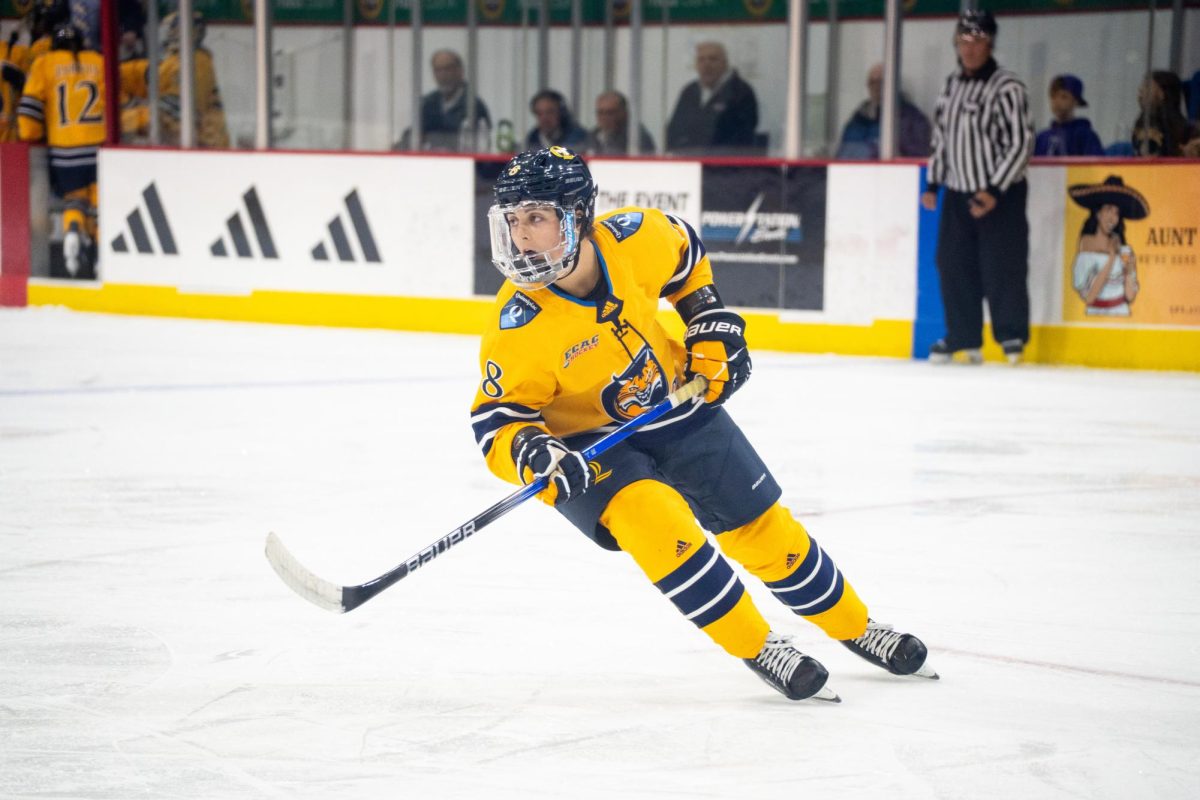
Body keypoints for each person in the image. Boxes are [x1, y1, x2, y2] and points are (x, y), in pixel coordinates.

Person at [469, 146, 937, 701]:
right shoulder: (517, 325)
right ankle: (758, 645)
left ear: (578, 216)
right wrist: (533, 453)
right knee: (660, 524)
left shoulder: (635, 237)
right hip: (587, 446)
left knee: (764, 528)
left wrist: (706, 317)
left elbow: (685, 255)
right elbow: (498, 420)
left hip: (672, 399)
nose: (522, 237)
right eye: (513, 220)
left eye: (537, 217)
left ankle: (856, 626)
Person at [922, 10, 1033, 365]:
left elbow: (1020, 143)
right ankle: (964, 335)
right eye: (964, 41)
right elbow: (941, 139)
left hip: (1001, 195)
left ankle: (1011, 334)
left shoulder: (1007, 87)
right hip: (958, 193)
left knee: (1002, 266)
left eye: (978, 41)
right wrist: (933, 182)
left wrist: (994, 190)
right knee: (953, 265)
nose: (970, 49)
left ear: (990, 44)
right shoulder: (951, 85)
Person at [17, 22, 104, 278]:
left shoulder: (45, 63)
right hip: (97, 148)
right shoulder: (98, 61)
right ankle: (100, 253)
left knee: (74, 200)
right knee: (100, 203)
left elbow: (29, 111)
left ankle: (73, 230)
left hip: (65, 153)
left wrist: (32, 135)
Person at [118, 11, 229, 148]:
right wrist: (111, 72)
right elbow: (147, 75)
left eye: (167, 30)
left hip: (207, 146)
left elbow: (170, 112)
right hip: (196, 143)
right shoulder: (178, 60)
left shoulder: (195, 63)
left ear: (179, 32)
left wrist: (122, 120)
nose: (164, 36)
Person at [1069, 176, 1148, 317]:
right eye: (1108, 209)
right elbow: (1089, 298)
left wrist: (1129, 271)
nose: (1113, 218)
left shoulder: (1124, 250)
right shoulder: (1086, 244)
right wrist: (1111, 257)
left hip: (1122, 312)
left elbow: (1130, 296)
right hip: (1095, 314)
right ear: (1098, 213)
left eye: (1116, 213)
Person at [665, 41, 759, 155]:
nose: (706, 65)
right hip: (688, 160)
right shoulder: (689, 91)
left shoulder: (741, 92)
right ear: (696, 65)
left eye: (713, 59)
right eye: (701, 60)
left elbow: (740, 139)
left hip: (724, 162)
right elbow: (673, 131)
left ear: (725, 63)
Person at [397, 49, 491, 152]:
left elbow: (481, 143)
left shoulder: (474, 106)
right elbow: (415, 135)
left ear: (460, 71)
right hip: (431, 160)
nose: (443, 75)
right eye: (438, 70)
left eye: (448, 69)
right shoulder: (428, 103)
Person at [835, 63, 931, 159]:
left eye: (881, 82)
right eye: (872, 82)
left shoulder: (913, 119)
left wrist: (876, 150)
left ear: (893, 84)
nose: (876, 87)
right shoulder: (858, 117)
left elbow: (919, 155)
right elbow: (843, 152)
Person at [1131, 71, 1200, 157]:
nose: (1140, 90)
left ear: (1162, 93)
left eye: (1147, 86)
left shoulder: (1186, 130)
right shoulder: (1142, 123)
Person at [1033, 74, 1105, 157]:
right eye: (1053, 96)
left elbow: (1096, 163)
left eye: (1064, 97)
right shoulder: (1041, 138)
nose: (1056, 102)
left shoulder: (1086, 136)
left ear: (1076, 101)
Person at [584, 90, 656, 155]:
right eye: (600, 112)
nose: (604, 117)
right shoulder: (594, 135)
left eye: (610, 113)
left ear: (624, 113)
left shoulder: (635, 136)